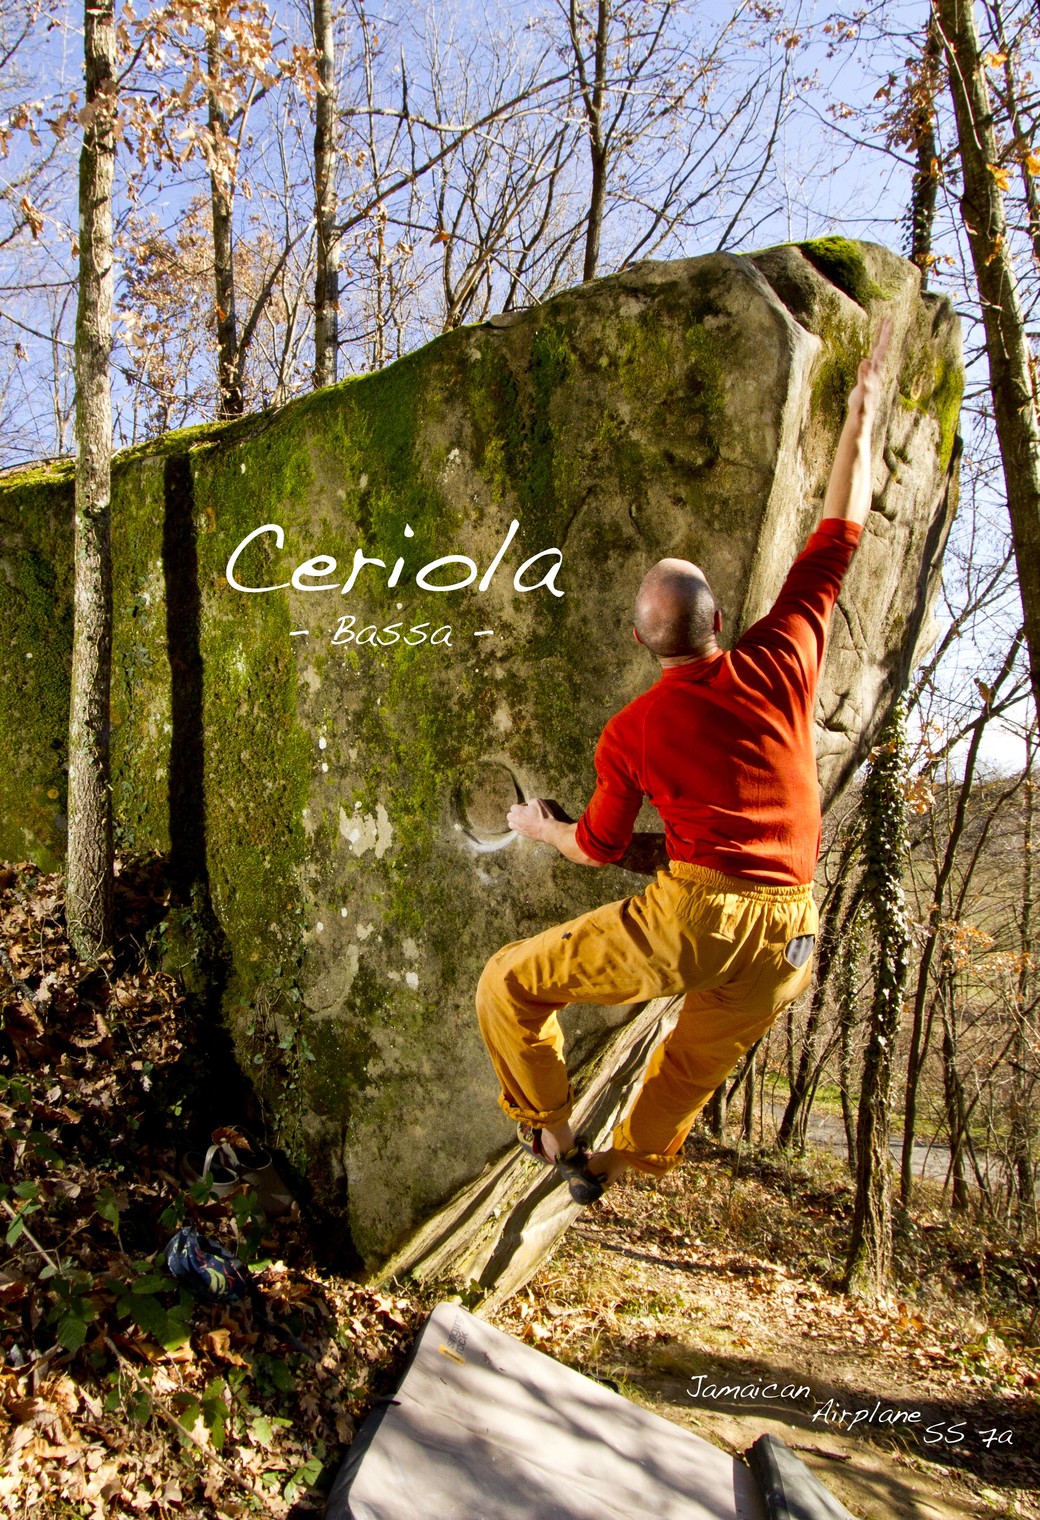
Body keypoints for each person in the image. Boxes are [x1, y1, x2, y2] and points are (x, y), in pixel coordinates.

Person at [476, 322, 892, 1204]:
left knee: (509, 982)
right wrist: (862, 413)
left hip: (699, 919)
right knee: (693, 1062)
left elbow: (594, 848)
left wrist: (537, 827)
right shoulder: (782, 655)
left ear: (640, 641)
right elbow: (839, 532)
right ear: (721, 621)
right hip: (794, 930)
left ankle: (550, 1128)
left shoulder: (632, 731)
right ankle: (622, 1162)